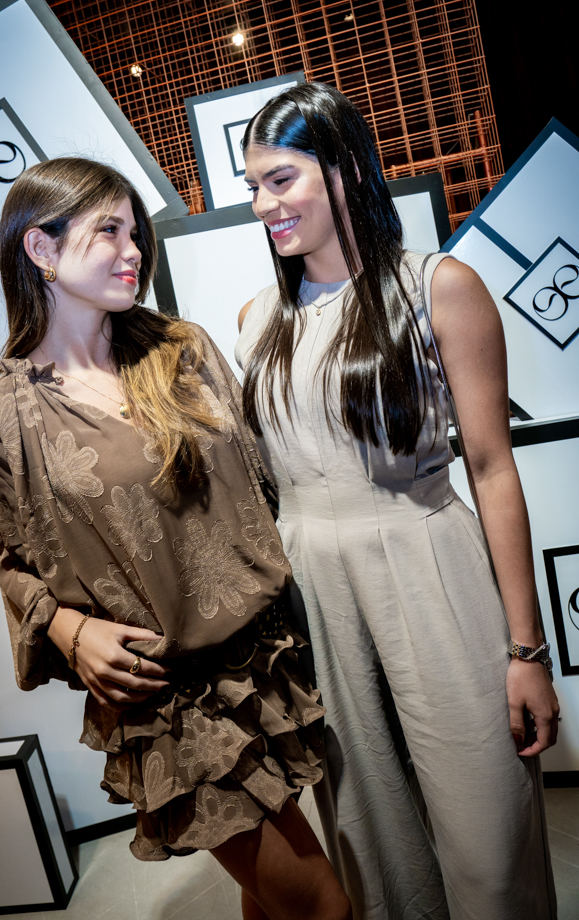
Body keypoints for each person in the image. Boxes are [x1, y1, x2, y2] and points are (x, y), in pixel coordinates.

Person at [0, 157, 354, 920]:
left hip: (263, 662)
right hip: (171, 703)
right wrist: (69, 629)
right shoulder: (0, 420)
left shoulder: (183, 349)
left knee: (269, 899)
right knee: (322, 907)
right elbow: (13, 564)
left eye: (135, 232)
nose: (133, 249)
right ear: (40, 249)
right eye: (108, 231)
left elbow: (265, 482)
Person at [235, 82, 559, 920]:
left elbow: (490, 468)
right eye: (253, 186)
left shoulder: (437, 286)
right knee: (368, 839)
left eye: (280, 179)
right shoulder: (254, 321)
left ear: (345, 169)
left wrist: (526, 651)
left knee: (487, 834)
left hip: (427, 563)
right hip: (313, 595)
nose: (264, 205)